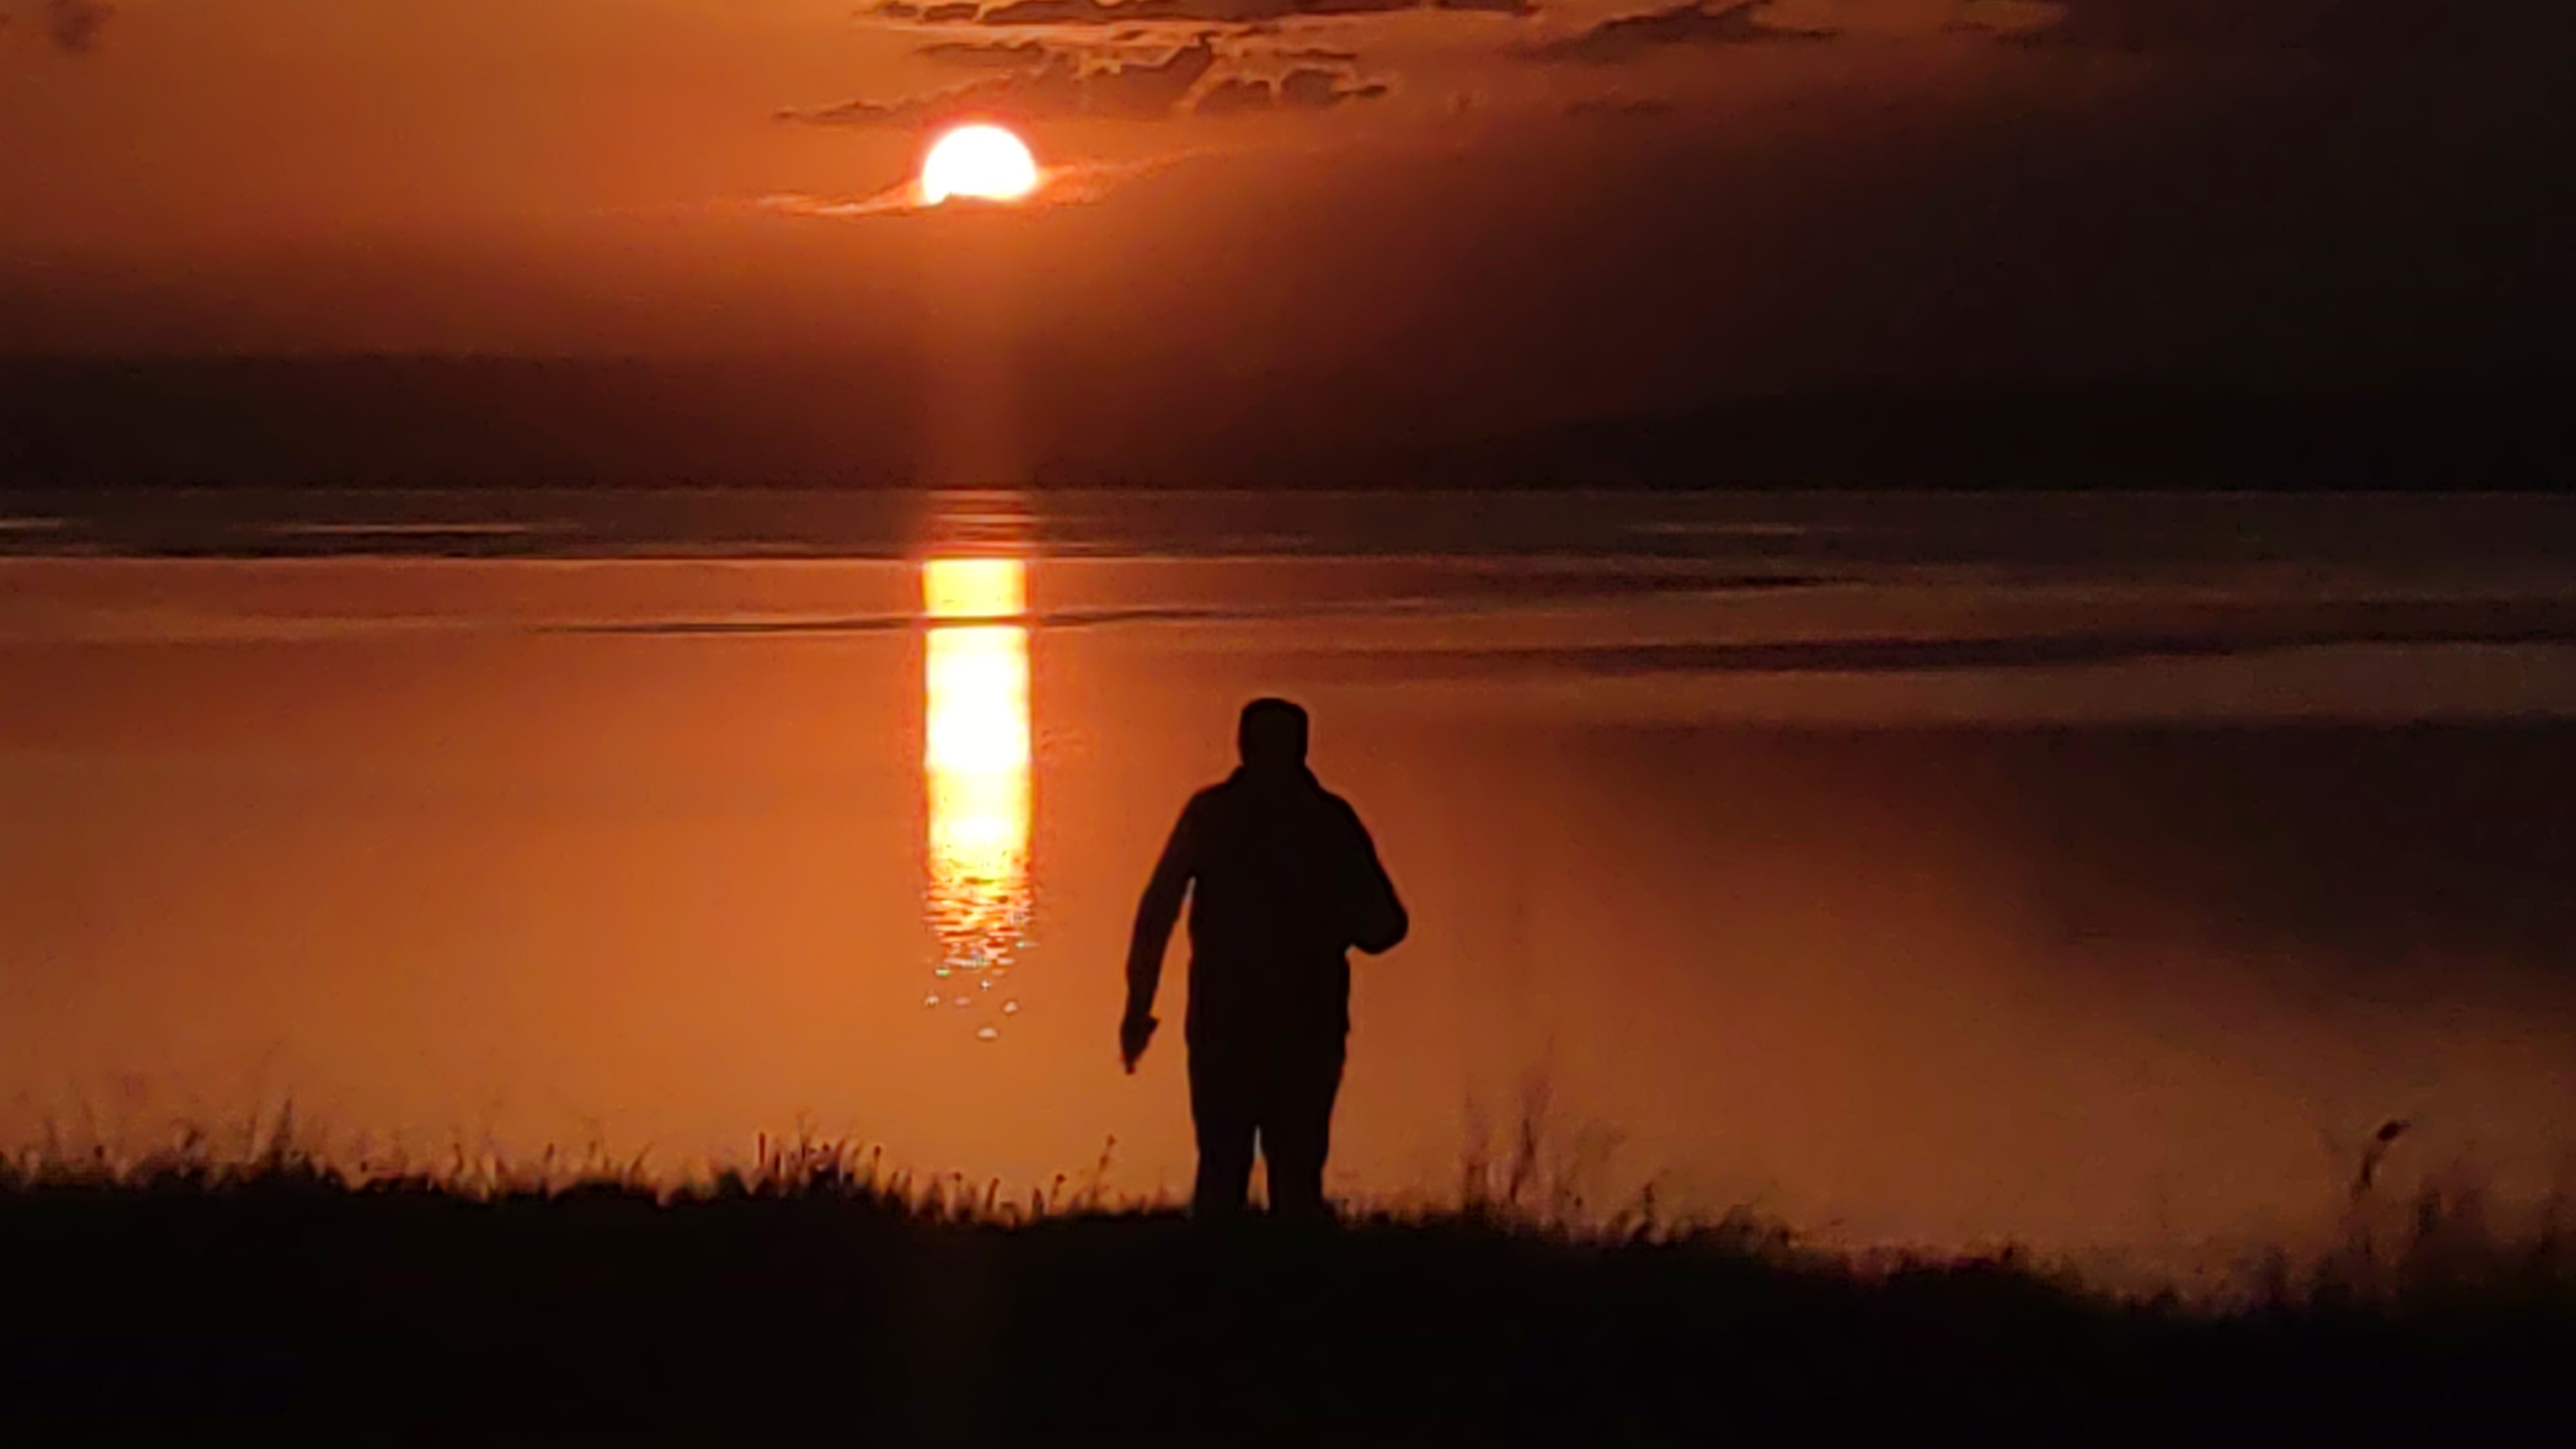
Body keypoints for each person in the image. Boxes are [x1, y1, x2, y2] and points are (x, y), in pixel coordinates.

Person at [1121, 697, 1408, 1220]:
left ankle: (1220, 1288)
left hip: (1226, 1023)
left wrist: (1139, 1006)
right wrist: (1327, 927)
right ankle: (1287, 1288)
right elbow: (1386, 928)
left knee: (1222, 1169)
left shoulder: (1211, 816)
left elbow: (1157, 910)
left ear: (1242, 746)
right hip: (1306, 1024)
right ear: (1302, 748)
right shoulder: (1328, 821)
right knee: (1295, 1173)